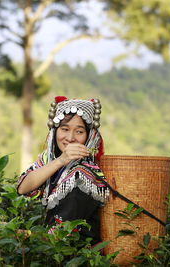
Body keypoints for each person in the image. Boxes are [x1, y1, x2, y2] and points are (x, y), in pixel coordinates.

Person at [17, 96, 109, 245]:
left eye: (79, 132)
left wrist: (19, 234)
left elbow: (59, 235)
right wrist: (61, 161)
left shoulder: (83, 175)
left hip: (75, 255)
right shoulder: (50, 160)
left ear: (89, 136)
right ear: (55, 131)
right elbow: (23, 187)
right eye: (64, 129)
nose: (70, 138)